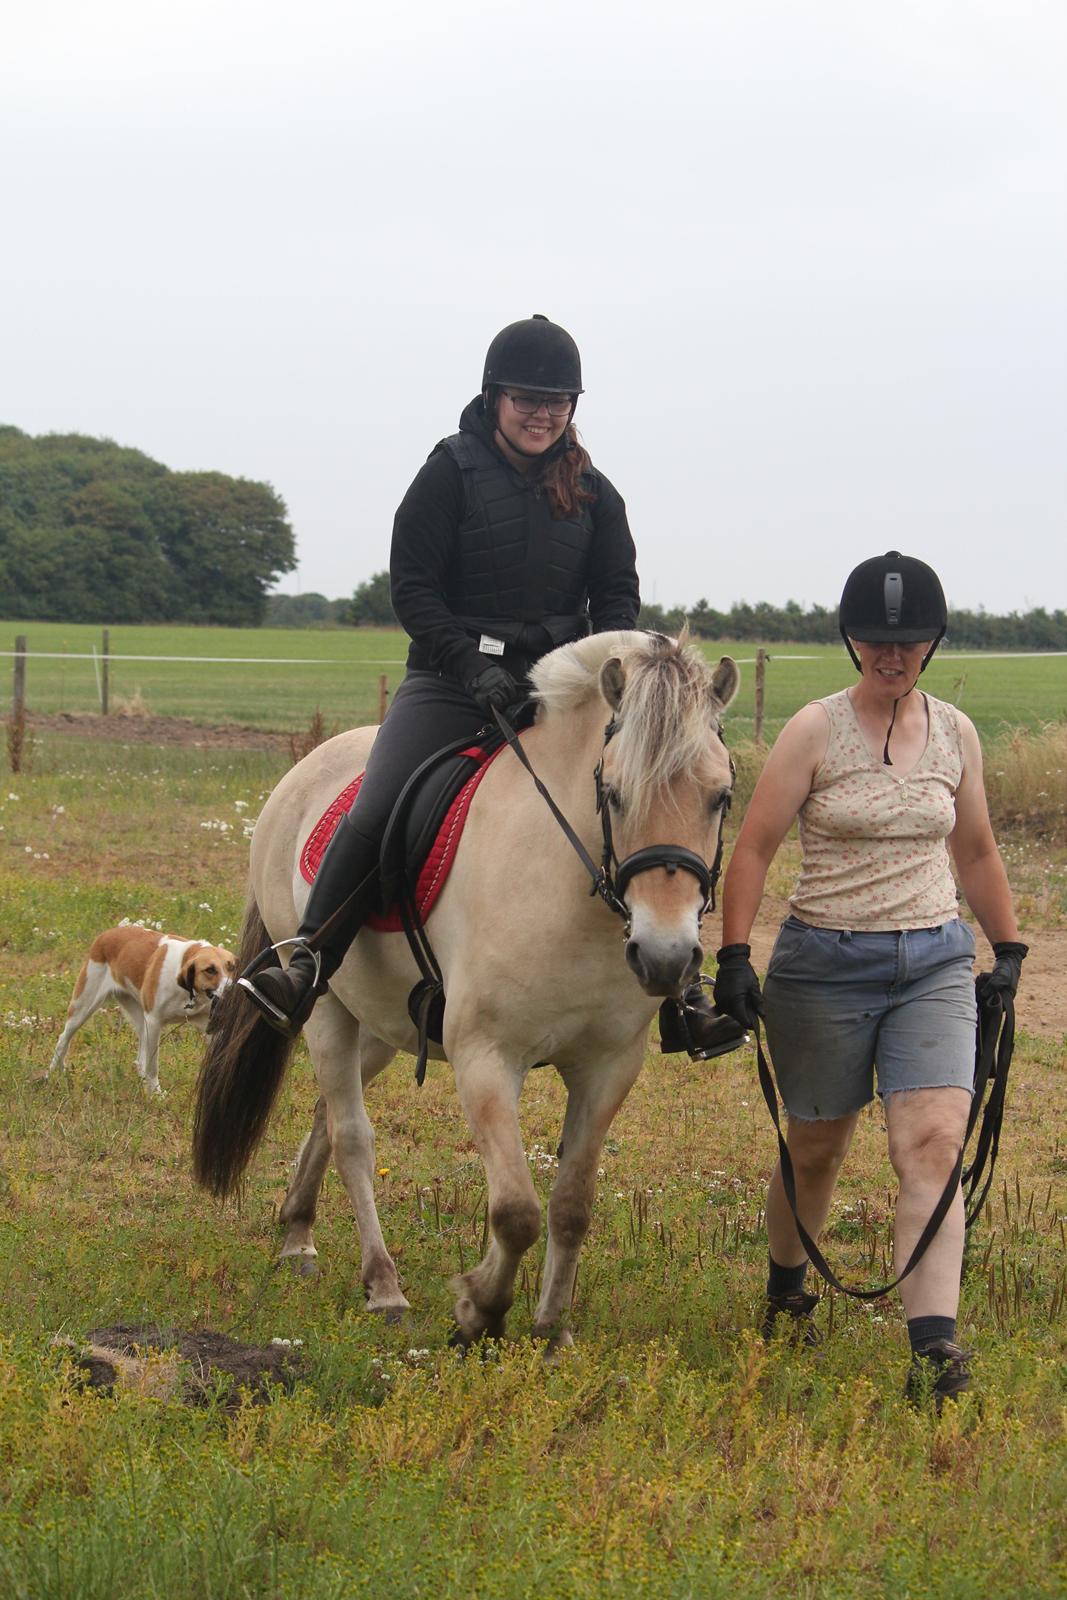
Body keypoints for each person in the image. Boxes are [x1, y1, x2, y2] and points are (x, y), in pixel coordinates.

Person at [241, 314, 741, 1060]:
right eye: (526, 399)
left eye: (557, 401)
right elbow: (412, 588)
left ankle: (680, 989)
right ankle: (309, 958)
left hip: (560, 691)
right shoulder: (449, 472)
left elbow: (616, 599)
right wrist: (470, 667)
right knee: (379, 803)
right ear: (494, 397)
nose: (542, 414)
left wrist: (610, 680)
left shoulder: (596, 493)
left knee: (649, 802)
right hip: (451, 682)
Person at [712, 551, 1028, 1405]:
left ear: (932, 642)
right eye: (876, 641)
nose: (892, 655)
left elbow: (974, 850)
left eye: (909, 641)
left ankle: (934, 1353)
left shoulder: (955, 733)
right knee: (815, 1148)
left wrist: (1005, 948)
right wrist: (734, 955)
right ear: (851, 642)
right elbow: (754, 847)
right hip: (824, 963)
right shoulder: (813, 730)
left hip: (933, 962)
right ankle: (786, 1290)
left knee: (931, 1144)